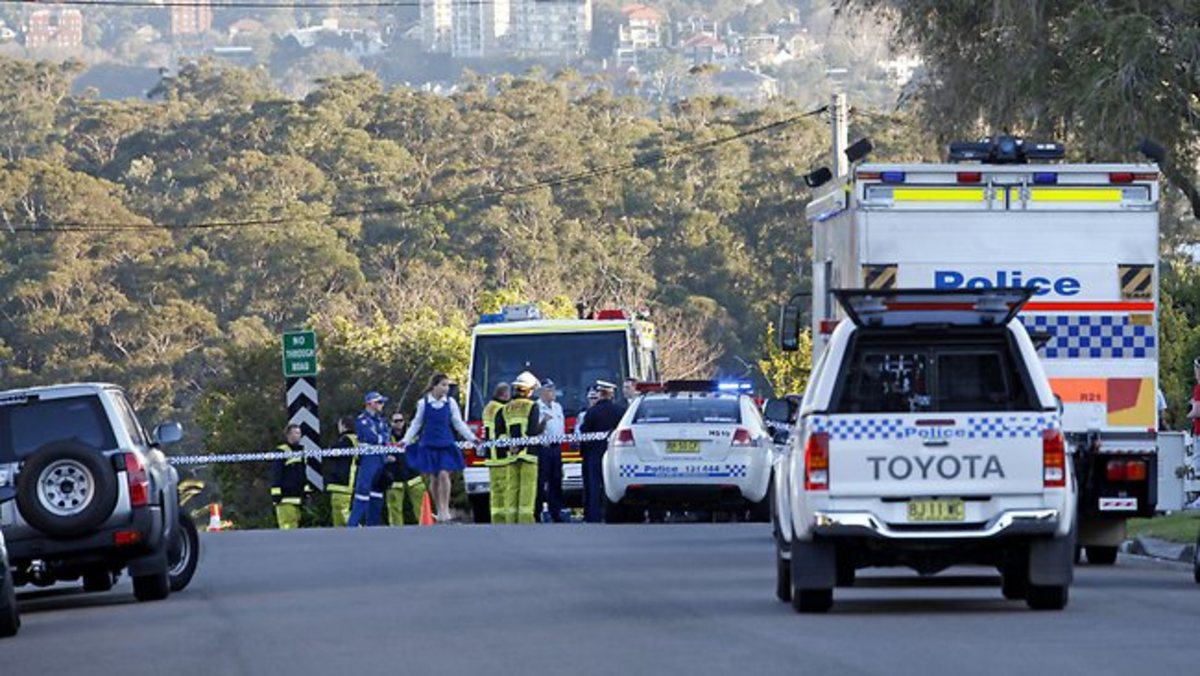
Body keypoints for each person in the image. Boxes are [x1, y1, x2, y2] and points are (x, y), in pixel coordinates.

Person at [403, 373, 479, 523]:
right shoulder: (423, 403)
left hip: (445, 443)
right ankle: (438, 507)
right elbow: (416, 424)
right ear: (434, 386)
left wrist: (472, 438)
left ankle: (445, 509)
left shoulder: (450, 403)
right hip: (429, 443)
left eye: (447, 386)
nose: (446, 389)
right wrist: (405, 440)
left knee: (444, 474)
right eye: (443, 385)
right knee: (434, 477)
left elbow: (458, 423)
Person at [493, 371, 544, 524]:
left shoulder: (504, 408)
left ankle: (511, 520)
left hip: (511, 455)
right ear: (528, 390)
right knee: (527, 488)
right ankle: (525, 519)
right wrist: (521, 446)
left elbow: (499, 433)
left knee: (512, 488)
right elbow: (532, 431)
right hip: (528, 454)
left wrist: (511, 446)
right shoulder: (532, 406)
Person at [580, 380, 626, 523]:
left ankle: (594, 516)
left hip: (595, 454)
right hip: (615, 454)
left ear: (600, 394)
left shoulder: (592, 412)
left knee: (595, 485)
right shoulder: (621, 410)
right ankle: (616, 514)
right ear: (611, 395)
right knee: (614, 484)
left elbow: (584, 432)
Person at [349, 391, 391, 527]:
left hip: (380, 459)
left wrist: (382, 440)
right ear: (370, 404)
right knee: (363, 490)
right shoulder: (362, 420)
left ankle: (373, 524)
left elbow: (386, 436)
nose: (382, 405)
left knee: (377, 492)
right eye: (379, 402)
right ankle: (353, 524)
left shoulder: (380, 421)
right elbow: (371, 437)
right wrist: (381, 439)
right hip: (369, 459)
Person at [382, 411, 426, 526]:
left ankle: (426, 528)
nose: (399, 424)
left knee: (421, 507)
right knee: (394, 509)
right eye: (395, 421)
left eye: (401, 420)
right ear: (391, 423)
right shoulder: (386, 437)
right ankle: (396, 533)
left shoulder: (413, 435)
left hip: (414, 477)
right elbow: (380, 453)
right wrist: (386, 458)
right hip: (394, 479)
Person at [481, 382, 513, 523]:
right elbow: (503, 432)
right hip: (502, 456)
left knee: (495, 492)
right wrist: (511, 446)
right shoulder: (503, 409)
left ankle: (497, 519)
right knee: (507, 491)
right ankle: (507, 519)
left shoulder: (488, 408)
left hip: (490, 456)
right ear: (505, 394)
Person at [536, 379, 566, 522]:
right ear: (541, 392)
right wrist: (544, 421)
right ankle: (537, 511)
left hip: (556, 448)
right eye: (549, 390)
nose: (553, 393)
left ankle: (556, 512)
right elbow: (534, 431)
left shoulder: (557, 407)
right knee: (541, 481)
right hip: (543, 449)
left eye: (553, 389)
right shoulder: (536, 407)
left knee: (556, 480)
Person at [324, 415, 359, 528]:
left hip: (342, 482)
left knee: (342, 511)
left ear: (343, 426)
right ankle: (340, 537)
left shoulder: (347, 440)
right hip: (342, 482)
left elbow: (333, 452)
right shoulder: (353, 439)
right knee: (338, 514)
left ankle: (359, 533)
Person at [271, 425, 306, 529]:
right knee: (287, 528)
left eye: (299, 433)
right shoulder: (281, 451)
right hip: (285, 498)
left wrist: (306, 492)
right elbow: (276, 473)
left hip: (297, 498)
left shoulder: (300, 452)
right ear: (288, 435)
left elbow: (302, 474)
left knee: (295, 527)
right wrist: (276, 495)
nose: (298, 436)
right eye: (295, 433)